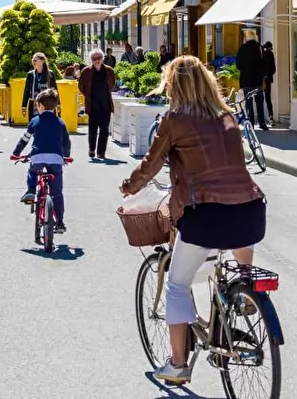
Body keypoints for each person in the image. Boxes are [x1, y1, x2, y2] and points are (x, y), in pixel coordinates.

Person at [120, 56, 266, 385]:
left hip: (206, 215)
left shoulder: (175, 118)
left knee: (177, 284)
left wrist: (131, 186)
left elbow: (151, 163)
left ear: (174, 84)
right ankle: (243, 291)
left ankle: (177, 364)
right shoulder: (225, 114)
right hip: (251, 211)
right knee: (235, 246)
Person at [13, 89, 72, 233]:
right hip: (56, 160)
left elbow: (25, 139)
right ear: (56, 106)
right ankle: (59, 222)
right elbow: (67, 142)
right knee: (57, 192)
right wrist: (66, 156)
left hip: (38, 157)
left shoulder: (35, 121)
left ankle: (31, 190)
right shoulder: (60, 122)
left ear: (39, 105)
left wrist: (16, 153)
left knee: (33, 170)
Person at [78, 48, 116, 160]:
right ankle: (91, 149)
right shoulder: (86, 71)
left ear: (102, 58)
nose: (97, 61)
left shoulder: (109, 71)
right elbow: (81, 86)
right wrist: (88, 95)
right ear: (91, 60)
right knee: (93, 129)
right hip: (93, 104)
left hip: (106, 104)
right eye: (94, 59)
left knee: (104, 129)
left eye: (99, 58)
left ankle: (101, 152)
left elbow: (112, 85)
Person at [236, 29, 268, 131]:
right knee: (259, 101)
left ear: (246, 38)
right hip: (258, 80)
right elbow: (264, 64)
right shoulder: (260, 47)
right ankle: (262, 123)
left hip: (247, 81)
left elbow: (238, 64)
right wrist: (263, 77)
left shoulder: (243, 48)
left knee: (249, 102)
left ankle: (251, 124)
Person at [21, 53, 57, 119]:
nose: (33, 62)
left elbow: (54, 90)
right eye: (33, 60)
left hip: (47, 103)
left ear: (42, 61)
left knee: (47, 123)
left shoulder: (50, 74)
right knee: (34, 124)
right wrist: (24, 106)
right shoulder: (31, 74)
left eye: (35, 60)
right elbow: (26, 90)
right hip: (33, 103)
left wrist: (58, 104)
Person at [262, 41, 277, 128]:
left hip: (260, 79)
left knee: (259, 98)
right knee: (268, 98)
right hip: (267, 79)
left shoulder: (261, 54)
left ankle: (261, 119)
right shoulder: (271, 54)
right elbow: (273, 69)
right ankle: (271, 117)